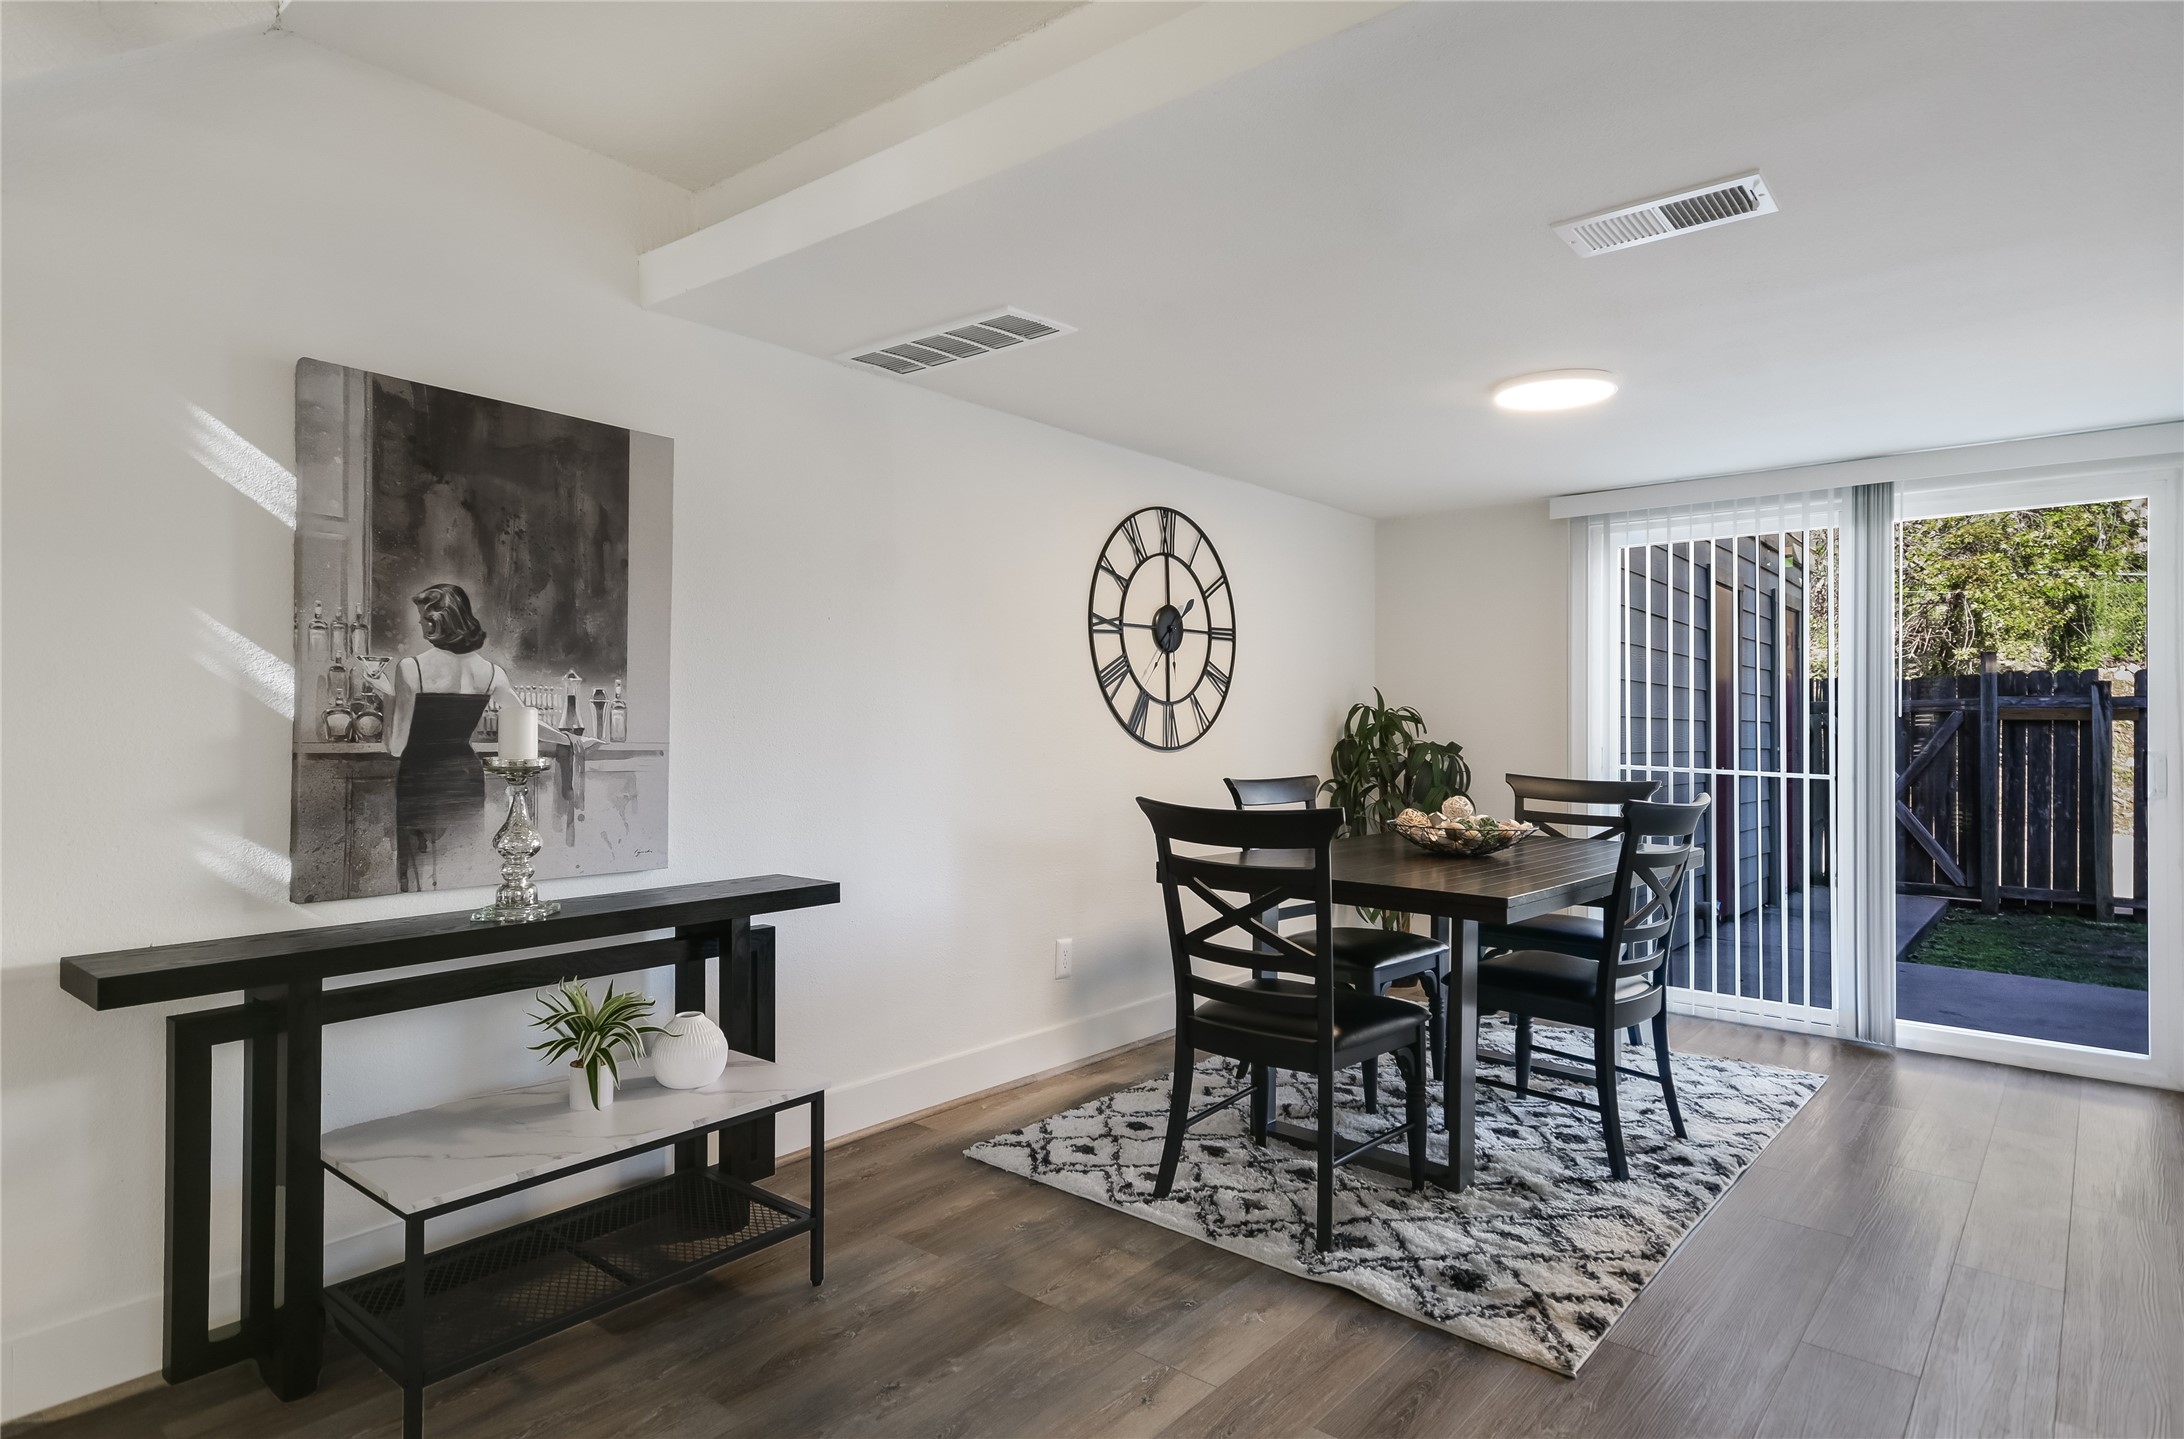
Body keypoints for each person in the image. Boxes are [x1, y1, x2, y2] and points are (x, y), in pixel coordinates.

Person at [374, 583, 539, 892]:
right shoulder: (492, 672)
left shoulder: (411, 669)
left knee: (418, 880)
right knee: (465, 872)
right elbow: (527, 719)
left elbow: (395, 747)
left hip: (420, 779)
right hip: (465, 778)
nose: (420, 623)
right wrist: (574, 740)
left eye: (424, 616)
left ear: (440, 619)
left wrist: (388, 698)